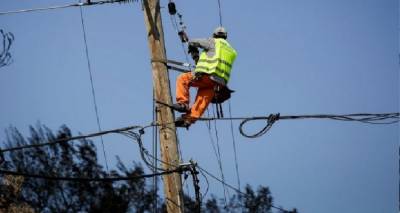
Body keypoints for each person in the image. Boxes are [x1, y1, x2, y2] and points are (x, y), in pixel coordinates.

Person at [172, 27, 237, 128]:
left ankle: (183, 103)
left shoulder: (213, 41)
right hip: (218, 83)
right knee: (202, 99)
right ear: (225, 37)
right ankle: (188, 119)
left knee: (183, 79)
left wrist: (193, 50)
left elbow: (193, 42)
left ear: (214, 35)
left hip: (208, 75)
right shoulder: (232, 51)